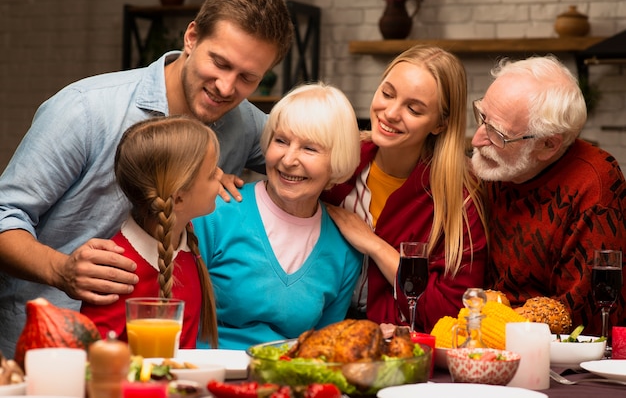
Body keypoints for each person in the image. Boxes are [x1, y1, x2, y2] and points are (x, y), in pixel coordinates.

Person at [0, 0, 293, 358]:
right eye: (219, 63)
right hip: (43, 350)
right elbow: (5, 213)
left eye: (248, 78)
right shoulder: (86, 110)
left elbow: (313, 153)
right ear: (191, 37)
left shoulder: (245, 125)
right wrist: (61, 269)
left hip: (154, 359)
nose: (226, 86)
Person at [322, 45, 488, 333]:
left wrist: (375, 246)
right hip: (321, 335)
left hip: (401, 353)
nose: (390, 113)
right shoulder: (336, 162)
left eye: (413, 108)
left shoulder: (460, 201)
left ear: (440, 124)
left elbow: (449, 316)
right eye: (387, 93)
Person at [191, 82, 363, 350]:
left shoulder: (344, 251)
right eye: (281, 141)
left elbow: (323, 349)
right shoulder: (215, 213)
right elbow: (170, 317)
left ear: (337, 161)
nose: (288, 159)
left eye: (309, 148)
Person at [470, 55, 626, 336]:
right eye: (482, 118)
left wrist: (502, 325)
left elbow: (585, 318)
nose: (477, 139)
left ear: (548, 145)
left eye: (497, 134)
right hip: (485, 339)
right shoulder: (492, 167)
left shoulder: (595, 184)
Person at [81, 116, 220, 348]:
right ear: (178, 198)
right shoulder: (117, 271)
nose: (221, 175)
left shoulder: (187, 242)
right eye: (212, 173)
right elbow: (95, 361)